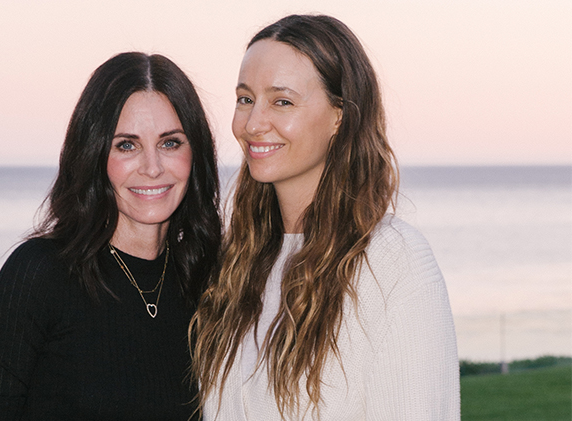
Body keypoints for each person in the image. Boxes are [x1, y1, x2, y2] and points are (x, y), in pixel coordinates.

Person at [191, 15, 459, 420]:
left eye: (282, 101)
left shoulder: (390, 262)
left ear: (340, 115)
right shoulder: (237, 263)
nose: (252, 124)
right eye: (245, 99)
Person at [0, 52, 221, 420]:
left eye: (170, 142)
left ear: (196, 154)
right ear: (94, 154)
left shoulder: (212, 281)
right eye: (126, 145)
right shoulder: (40, 274)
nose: (152, 167)